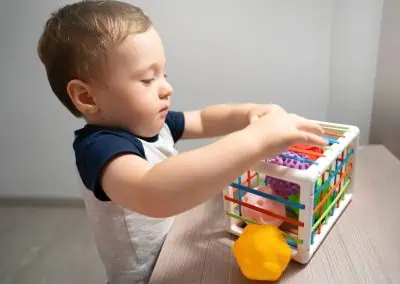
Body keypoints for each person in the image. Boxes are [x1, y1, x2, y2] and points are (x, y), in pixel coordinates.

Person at [37, 1, 327, 283]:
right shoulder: (98, 148)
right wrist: (256, 140)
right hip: (150, 275)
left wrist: (248, 113)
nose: (167, 88)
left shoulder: (153, 124)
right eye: (147, 79)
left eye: (163, 73)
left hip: (177, 249)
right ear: (87, 97)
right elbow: (154, 191)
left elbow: (203, 119)